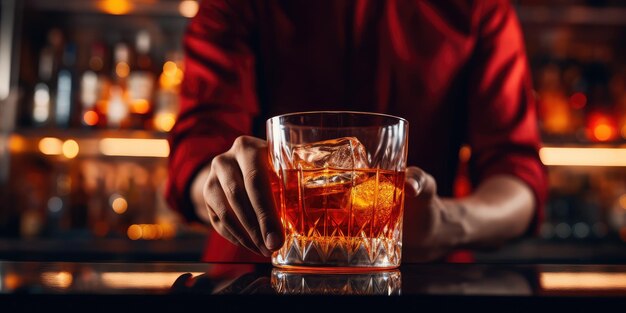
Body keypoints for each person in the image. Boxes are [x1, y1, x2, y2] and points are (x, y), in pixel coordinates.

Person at [165, 0, 548, 263]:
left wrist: (447, 223)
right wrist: (222, 187)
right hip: (261, 270)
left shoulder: (479, 7)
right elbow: (198, 152)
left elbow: (518, 175)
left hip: (417, 273)